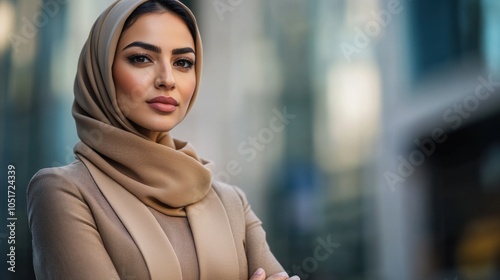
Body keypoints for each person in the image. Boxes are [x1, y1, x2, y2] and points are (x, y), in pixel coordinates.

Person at [26, 0, 300, 279]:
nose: (167, 79)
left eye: (183, 62)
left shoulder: (230, 202)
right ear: (101, 69)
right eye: (141, 58)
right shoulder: (62, 192)